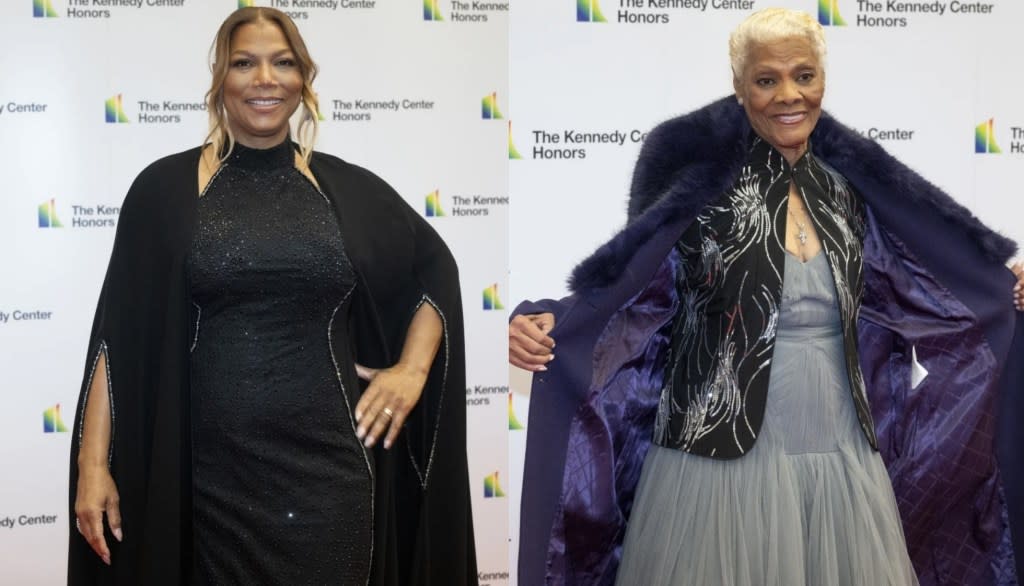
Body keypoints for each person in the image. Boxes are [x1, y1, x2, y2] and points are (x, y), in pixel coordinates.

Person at [509, 8, 1024, 586]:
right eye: (766, 79)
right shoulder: (697, 176)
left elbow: (920, 286)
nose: (789, 95)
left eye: (804, 76)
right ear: (738, 86)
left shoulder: (848, 185)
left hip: (840, 451)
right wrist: (547, 321)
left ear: (822, 79)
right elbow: (634, 293)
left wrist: (1005, 288)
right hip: (715, 458)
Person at [68, 7, 476, 585]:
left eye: (283, 63)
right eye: (245, 63)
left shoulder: (346, 191)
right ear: (220, 80)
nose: (265, 79)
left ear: (304, 80)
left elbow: (435, 270)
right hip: (210, 485)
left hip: (330, 478)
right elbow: (118, 339)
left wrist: (411, 371)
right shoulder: (163, 191)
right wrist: (91, 464)